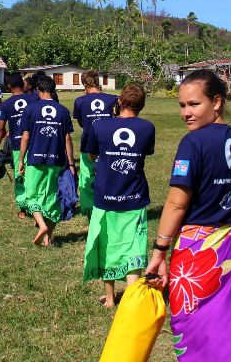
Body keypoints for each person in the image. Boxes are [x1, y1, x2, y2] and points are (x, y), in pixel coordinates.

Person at [144, 69, 231, 361]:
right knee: (228, 326)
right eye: (182, 105)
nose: (186, 113)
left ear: (216, 102)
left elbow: (177, 204)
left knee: (192, 327)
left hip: (197, 249)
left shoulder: (193, 143)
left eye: (194, 105)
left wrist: (159, 252)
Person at [82, 84, 154, 307]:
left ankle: (111, 299)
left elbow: (92, 154)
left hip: (106, 194)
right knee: (134, 245)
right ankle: (133, 299)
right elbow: (146, 152)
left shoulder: (100, 125)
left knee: (108, 244)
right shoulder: (147, 128)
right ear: (141, 105)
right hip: (134, 195)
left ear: (120, 102)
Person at [18, 75, 75, 246]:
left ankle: (41, 226)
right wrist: (71, 163)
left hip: (35, 158)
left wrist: (21, 159)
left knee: (31, 196)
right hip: (56, 159)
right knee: (51, 197)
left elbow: (25, 137)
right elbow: (67, 139)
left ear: (38, 90)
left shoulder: (30, 109)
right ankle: (48, 239)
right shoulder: (63, 110)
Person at [73, 70, 118, 218]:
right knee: (108, 175)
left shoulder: (79, 101)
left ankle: (90, 209)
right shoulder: (113, 99)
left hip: (87, 144)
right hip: (110, 144)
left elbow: (80, 122)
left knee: (86, 176)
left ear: (84, 83)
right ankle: (109, 205)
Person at [0, 73, 36, 219]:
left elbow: (0, 128)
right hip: (35, 143)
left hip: (18, 145)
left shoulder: (6, 104)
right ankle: (35, 205)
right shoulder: (34, 98)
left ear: (9, 86)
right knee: (34, 174)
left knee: (20, 175)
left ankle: (23, 208)